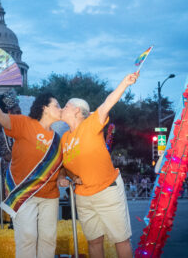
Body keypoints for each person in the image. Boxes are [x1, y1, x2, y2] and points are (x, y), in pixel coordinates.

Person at [0, 81, 63, 258]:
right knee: (27, 237)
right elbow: (0, 117)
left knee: (48, 239)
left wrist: (63, 176)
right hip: (24, 192)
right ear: (45, 107)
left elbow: (59, 166)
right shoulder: (24, 123)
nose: (60, 108)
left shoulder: (57, 138)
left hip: (50, 195)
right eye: (57, 105)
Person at [58, 72, 139, 258]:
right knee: (94, 241)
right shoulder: (65, 138)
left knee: (121, 240)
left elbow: (107, 103)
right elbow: (64, 164)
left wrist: (124, 83)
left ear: (77, 110)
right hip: (83, 196)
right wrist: (63, 176)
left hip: (106, 191)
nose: (63, 109)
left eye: (66, 106)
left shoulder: (91, 124)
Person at [0, 90, 22, 224]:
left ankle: (21, 221)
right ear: (7, 112)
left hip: (22, 164)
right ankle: (13, 221)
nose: (19, 113)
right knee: (11, 192)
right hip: (10, 165)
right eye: (15, 111)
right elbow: (6, 153)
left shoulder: (22, 123)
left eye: (19, 111)